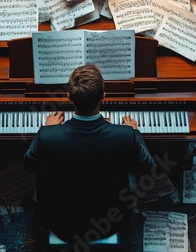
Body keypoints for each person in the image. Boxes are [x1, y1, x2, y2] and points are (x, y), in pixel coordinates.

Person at [23, 64, 155, 245]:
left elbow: (28, 164)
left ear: (69, 97)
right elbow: (149, 166)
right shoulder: (125, 135)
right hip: (110, 222)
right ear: (103, 96)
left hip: (61, 224)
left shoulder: (48, 135)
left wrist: (48, 129)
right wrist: (134, 132)